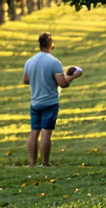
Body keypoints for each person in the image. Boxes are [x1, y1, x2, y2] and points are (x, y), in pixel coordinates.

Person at [22, 31, 82, 167]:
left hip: (35, 102)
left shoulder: (29, 62)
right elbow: (63, 83)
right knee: (46, 132)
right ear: (51, 45)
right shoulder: (54, 62)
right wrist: (74, 76)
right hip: (50, 102)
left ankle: (31, 163)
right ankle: (45, 162)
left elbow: (26, 81)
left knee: (34, 131)